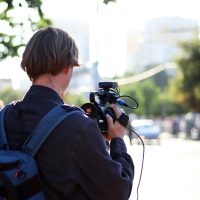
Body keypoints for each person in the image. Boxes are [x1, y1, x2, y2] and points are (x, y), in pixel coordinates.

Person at [3, 27, 134, 200]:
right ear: (67, 67)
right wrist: (117, 140)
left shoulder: (4, 117)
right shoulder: (78, 127)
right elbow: (118, 191)